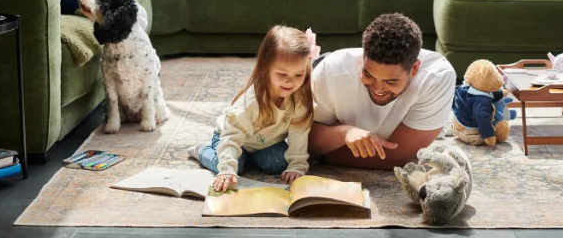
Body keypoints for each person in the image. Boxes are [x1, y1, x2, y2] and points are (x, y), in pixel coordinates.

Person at [308, 13, 456, 169]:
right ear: (363, 57)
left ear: (414, 69)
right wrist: (345, 133)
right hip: (320, 69)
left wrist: (324, 154)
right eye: (368, 74)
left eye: (391, 81)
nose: (378, 88)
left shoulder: (437, 78)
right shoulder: (332, 70)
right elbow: (303, 141)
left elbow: (400, 157)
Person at [188, 26, 320, 192]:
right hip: (233, 136)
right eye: (282, 74)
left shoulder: (299, 98)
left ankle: (250, 157)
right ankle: (202, 150)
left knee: (280, 164)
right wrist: (227, 169)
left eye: (298, 75)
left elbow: (298, 132)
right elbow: (232, 135)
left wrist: (297, 166)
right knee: (233, 167)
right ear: (266, 68)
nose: (290, 82)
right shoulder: (251, 102)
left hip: (265, 142)